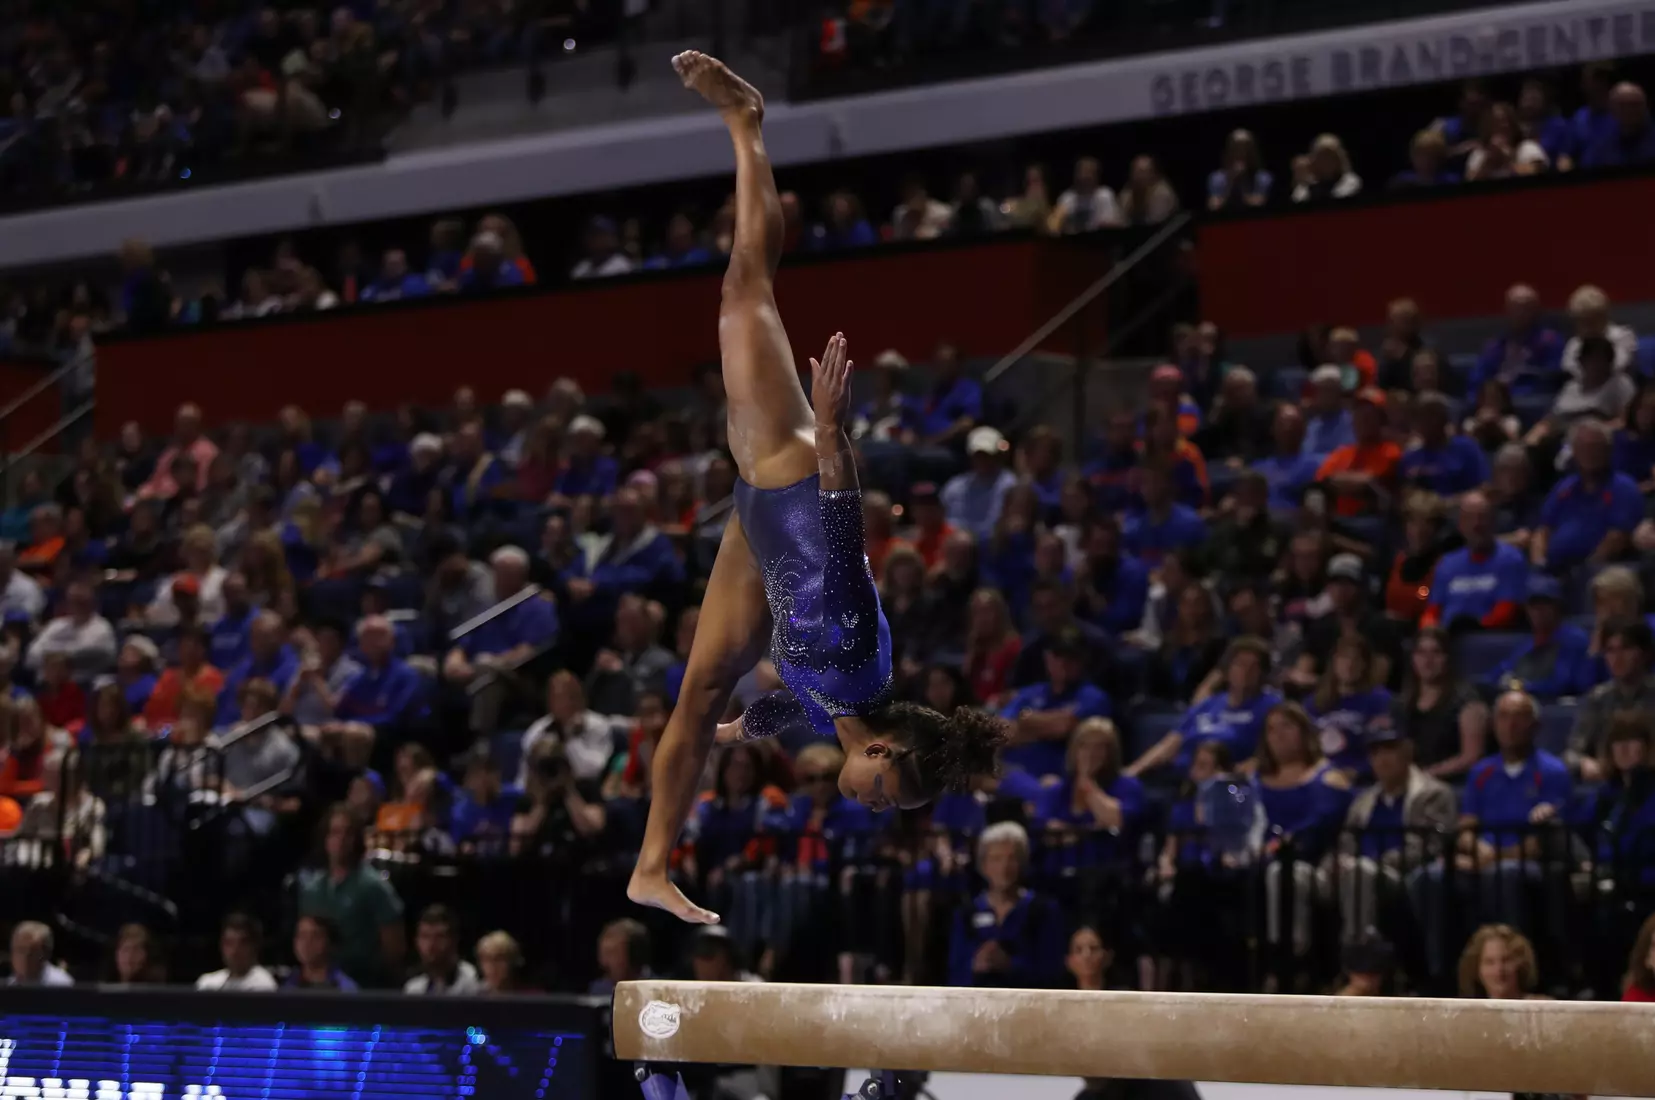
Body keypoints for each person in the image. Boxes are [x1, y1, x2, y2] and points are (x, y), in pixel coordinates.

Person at [628, 53, 1004, 926]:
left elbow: (790, 702)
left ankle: (651, 868)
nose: (867, 805)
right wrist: (831, 439)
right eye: (882, 793)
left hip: (759, 535)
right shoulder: (854, 663)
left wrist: (744, 729)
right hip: (792, 478)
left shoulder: (843, 699)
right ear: (882, 747)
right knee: (744, 287)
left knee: (698, 702)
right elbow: (841, 547)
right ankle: (746, 122)